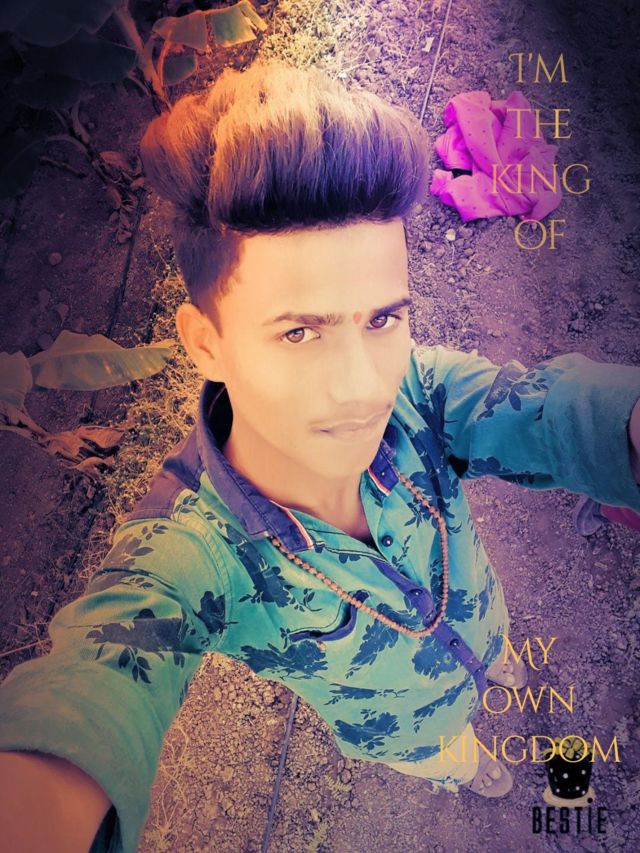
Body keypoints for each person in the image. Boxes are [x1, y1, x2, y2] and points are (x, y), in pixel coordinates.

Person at [1, 61, 639, 853]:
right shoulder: (192, 556)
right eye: (300, 331)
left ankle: (497, 662)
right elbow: (97, 681)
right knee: (451, 756)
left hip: (484, 621)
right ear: (206, 343)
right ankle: (462, 762)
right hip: (403, 731)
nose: (362, 387)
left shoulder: (418, 389)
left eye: (381, 320)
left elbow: (551, 409)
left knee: (495, 652)